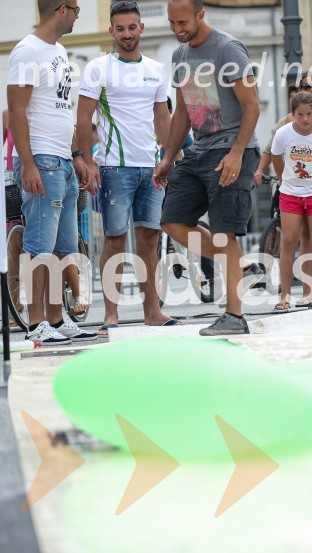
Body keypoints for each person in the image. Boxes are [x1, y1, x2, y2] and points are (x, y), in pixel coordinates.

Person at [153, 0, 261, 335]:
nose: (177, 29)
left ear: (201, 14)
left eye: (182, 22)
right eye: (172, 23)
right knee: (171, 221)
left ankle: (235, 316)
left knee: (223, 231)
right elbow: (183, 112)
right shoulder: (180, 56)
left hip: (232, 148)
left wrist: (237, 153)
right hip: (199, 150)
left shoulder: (228, 49)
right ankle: (236, 264)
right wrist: (168, 157)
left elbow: (252, 106)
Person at [75, 0, 179, 333]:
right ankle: (111, 315)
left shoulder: (156, 69)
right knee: (115, 240)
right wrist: (87, 161)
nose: (127, 34)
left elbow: (162, 115)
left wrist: (167, 157)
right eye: (120, 29)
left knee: (149, 238)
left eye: (132, 27)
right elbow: (82, 117)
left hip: (150, 167)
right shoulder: (98, 67)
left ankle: (152, 311)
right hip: (114, 168)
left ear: (141, 28)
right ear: (112, 31)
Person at [7, 0, 97, 345]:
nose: (77, 15)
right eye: (75, 9)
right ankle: (36, 322)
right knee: (39, 247)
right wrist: (27, 163)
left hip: (61, 159)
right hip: (41, 159)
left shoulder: (58, 51)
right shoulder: (27, 51)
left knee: (62, 247)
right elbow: (17, 110)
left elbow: (63, 109)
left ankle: (57, 319)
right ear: (61, 9)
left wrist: (77, 155)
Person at [270, 92, 312, 310]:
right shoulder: (283, 134)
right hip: (291, 193)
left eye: (309, 114)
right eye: (300, 114)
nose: (305, 119)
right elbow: (275, 156)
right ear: (293, 114)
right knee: (289, 240)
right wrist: (283, 180)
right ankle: (286, 295)